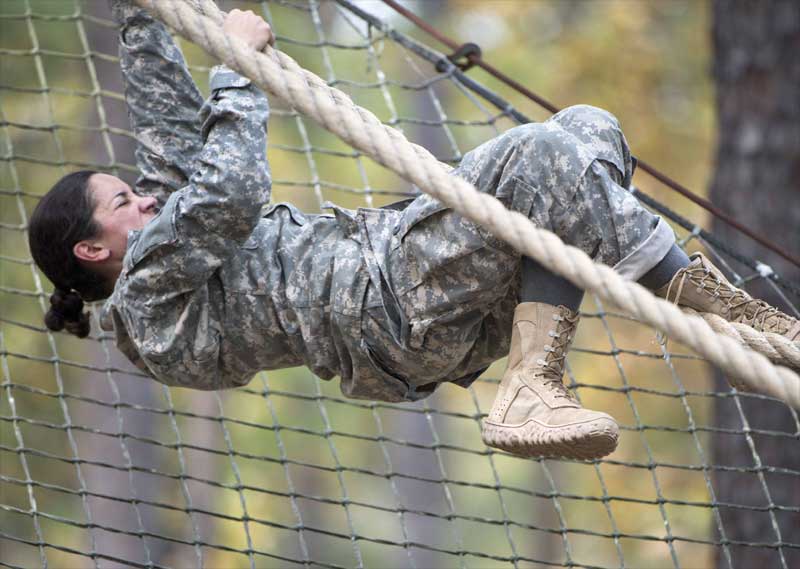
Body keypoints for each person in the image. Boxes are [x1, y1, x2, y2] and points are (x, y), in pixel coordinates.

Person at [28, 4, 799, 461]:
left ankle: (534, 382)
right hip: (385, 305)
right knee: (539, 157)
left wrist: (142, 13)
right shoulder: (148, 302)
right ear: (92, 249)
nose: (145, 198)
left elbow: (162, 109)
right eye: (125, 199)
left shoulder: (161, 236)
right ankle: (717, 304)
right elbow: (227, 192)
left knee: (584, 133)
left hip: (420, 305)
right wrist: (235, 67)